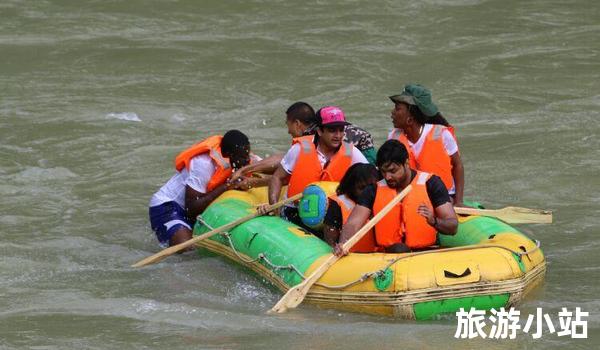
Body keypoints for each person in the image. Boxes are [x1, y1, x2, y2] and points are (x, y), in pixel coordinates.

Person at [335, 139, 458, 256]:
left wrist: (434, 221)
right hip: (388, 255)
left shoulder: (431, 183)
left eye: (393, 171)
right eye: (383, 172)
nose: (388, 177)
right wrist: (343, 244)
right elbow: (353, 223)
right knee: (399, 249)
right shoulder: (373, 190)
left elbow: (452, 226)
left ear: (406, 163)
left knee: (401, 249)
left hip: (424, 254)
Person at [148, 130, 266, 247]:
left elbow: (276, 166)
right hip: (168, 206)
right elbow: (191, 209)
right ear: (228, 155)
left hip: (195, 209)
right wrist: (227, 186)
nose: (247, 161)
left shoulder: (242, 156)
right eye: (242, 157)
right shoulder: (204, 164)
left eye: (247, 156)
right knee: (188, 248)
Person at [260, 106, 369, 227]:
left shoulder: (351, 152)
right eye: (332, 130)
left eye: (341, 130)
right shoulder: (300, 149)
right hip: (296, 211)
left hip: (332, 216)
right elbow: (277, 178)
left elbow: (371, 180)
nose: (338, 135)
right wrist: (274, 206)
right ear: (320, 131)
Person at [230, 102, 376, 180]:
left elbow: (285, 164)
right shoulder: (328, 125)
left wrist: (246, 171)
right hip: (369, 151)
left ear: (297, 124)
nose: (288, 131)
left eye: (288, 125)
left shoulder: (312, 135)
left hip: (362, 160)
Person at [387, 84, 465, 207]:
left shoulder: (442, 134)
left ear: (410, 118)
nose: (392, 113)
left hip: (442, 197)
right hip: (410, 195)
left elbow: (457, 165)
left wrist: (459, 201)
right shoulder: (394, 137)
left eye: (397, 109)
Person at [321, 163, 380, 252]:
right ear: (351, 187)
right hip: (347, 257)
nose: (367, 192)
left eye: (370, 187)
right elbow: (330, 240)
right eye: (362, 188)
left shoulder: (381, 199)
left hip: (375, 256)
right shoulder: (338, 204)